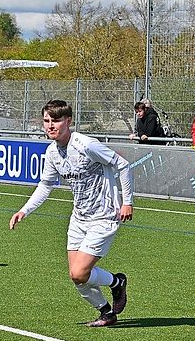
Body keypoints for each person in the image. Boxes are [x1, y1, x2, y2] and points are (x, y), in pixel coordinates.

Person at [9, 100, 132, 327]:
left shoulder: (86, 145)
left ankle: (117, 283)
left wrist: (127, 202)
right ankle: (106, 312)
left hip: (103, 216)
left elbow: (122, 165)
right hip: (78, 218)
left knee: (79, 272)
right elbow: (46, 185)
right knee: (77, 277)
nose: (50, 125)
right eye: (46, 121)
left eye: (56, 121)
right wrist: (24, 210)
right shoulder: (52, 152)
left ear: (69, 121)